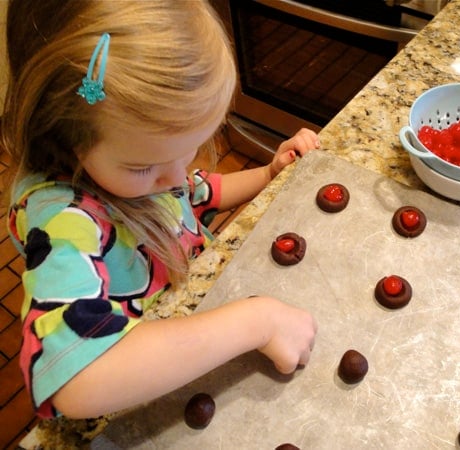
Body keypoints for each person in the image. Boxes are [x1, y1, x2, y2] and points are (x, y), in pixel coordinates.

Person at [1, 0, 319, 420]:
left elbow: (195, 193)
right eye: (145, 166)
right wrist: (255, 322)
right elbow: (76, 383)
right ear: (63, 134)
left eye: (186, 154)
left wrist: (266, 174)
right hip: (141, 395)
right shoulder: (62, 219)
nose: (174, 177)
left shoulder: (136, 167)